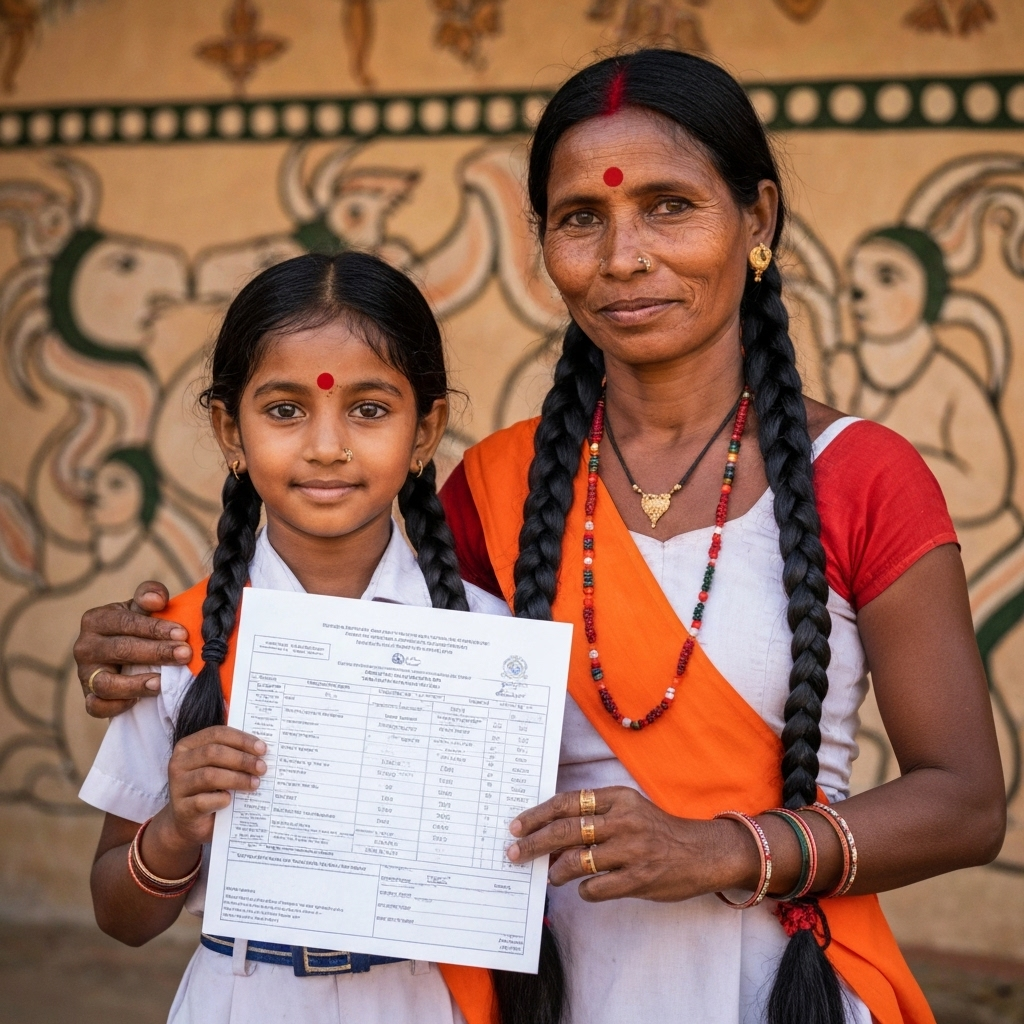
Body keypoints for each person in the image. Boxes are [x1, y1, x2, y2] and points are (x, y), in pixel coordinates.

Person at [73, 52, 1005, 1024]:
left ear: (757, 218)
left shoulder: (861, 475)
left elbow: (964, 801)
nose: (623, 255)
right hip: (537, 992)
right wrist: (164, 643)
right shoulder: (499, 486)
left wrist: (726, 848)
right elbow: (359, 662)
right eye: (581, 218)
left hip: (771, 987)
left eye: (669, 206)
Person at [77, 250, 561, 1024]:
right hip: (241, 998)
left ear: (426, 429)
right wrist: (177, 825)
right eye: (284, 410)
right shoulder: (176, 645)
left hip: (424, 1002)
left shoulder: (491, 648)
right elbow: (119, 917)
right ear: (229, 430)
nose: (327, 445)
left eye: (369, 410)